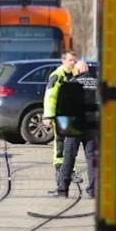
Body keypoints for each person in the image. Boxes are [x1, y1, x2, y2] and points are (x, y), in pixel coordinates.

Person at [54, 60, 99, 198]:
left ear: (78, 71)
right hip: (93, 126)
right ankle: (93, 190)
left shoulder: (72, 83)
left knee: (69, 156)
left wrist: (62, 131)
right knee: (92, 158)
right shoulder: (97, 84)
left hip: (75, 125)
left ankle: (63, 189)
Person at [43, 50, 79, 185]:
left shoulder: (75, 75)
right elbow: (50, 97)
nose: (73, 63)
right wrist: (48, 116)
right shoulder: (57, 76)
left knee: (71, 145)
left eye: (74, 61)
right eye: (70, 60)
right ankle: (61, 171)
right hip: (60, 115)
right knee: (61, 143)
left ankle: (70, 171)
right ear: (63, 61)